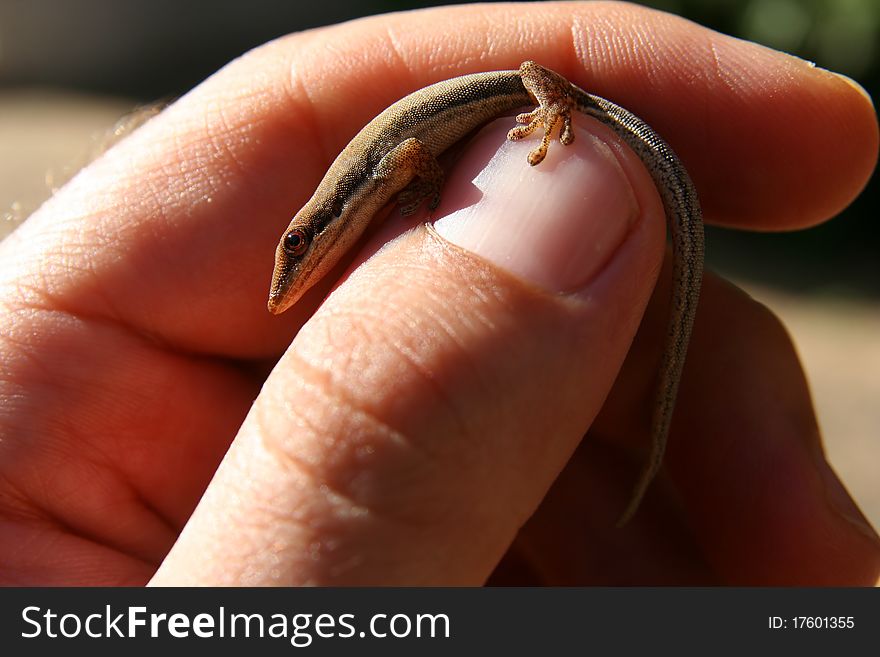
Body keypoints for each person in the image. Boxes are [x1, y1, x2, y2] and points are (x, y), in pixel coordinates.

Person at [0, 2, 877, 586]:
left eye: (296, 250)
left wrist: (460, 204)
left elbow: (415, 159)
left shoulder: (367, 179)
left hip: (528, 91)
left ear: (315, 225)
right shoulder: (350, 188)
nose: (290, 274)